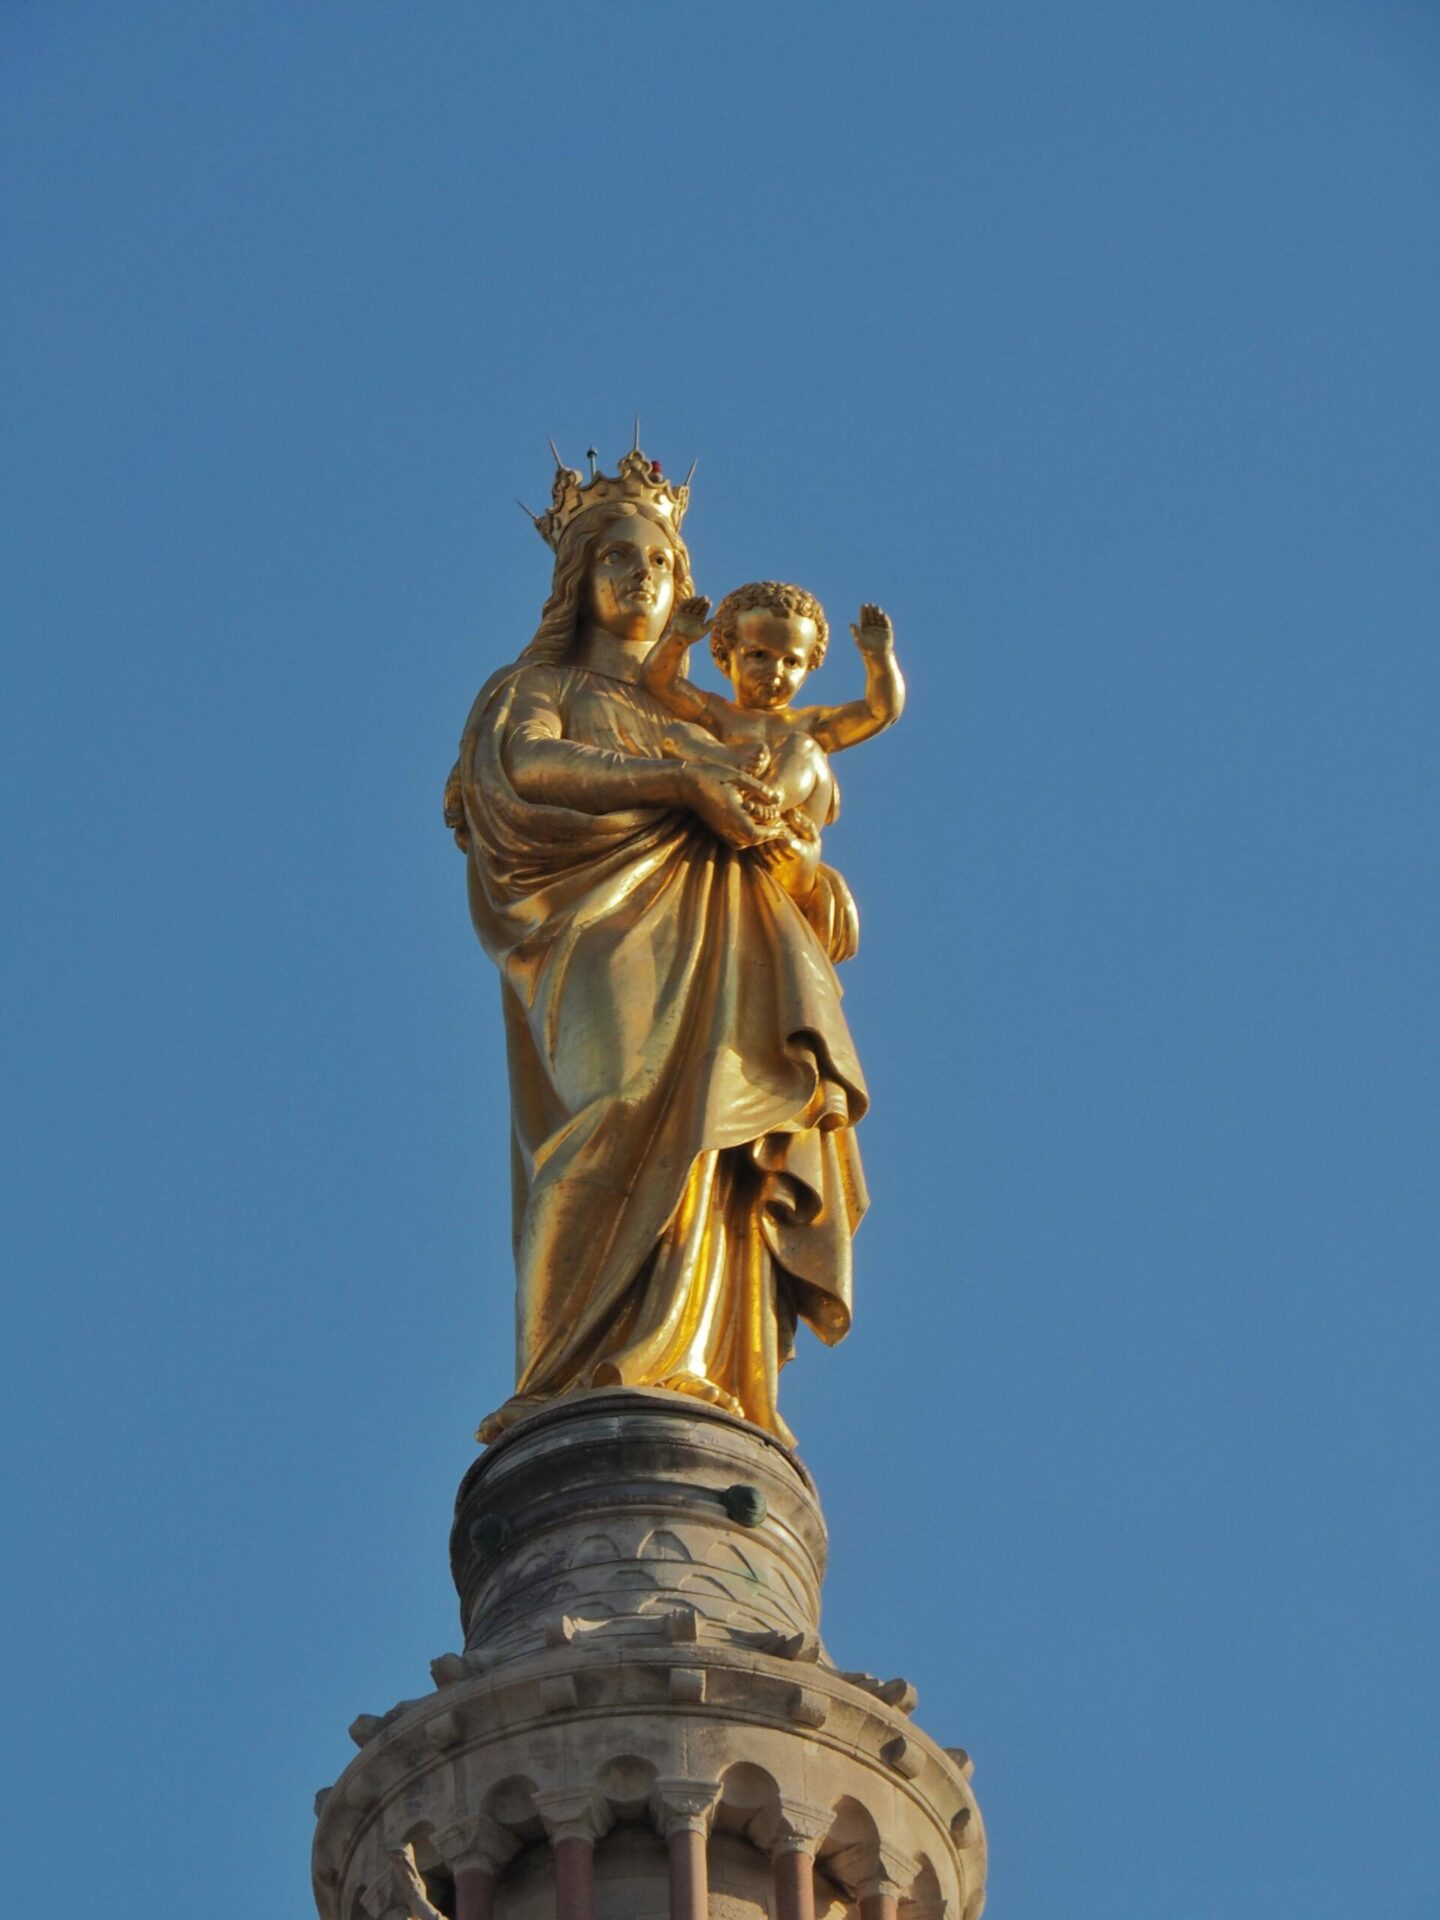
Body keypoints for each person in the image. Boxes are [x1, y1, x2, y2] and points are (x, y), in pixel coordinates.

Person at [444, 448, 870, 1446]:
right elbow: (524, 771)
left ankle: (697, 1359)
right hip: (597, 930)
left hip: (723, 948)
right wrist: (678, 788)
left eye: (662, 564)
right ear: (578, 582)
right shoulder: (536, 688)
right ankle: (561, 1373)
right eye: (619, 559)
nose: (644, 576)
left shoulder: (698, 721)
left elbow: (769, 831)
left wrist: (807, 876)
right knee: (620, 1103)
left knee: (720, 1135)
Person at [640, 582, 905, 884]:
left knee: (803, 747)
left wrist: (879, 657)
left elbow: (880, 711)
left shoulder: (810, 722)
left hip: (788, 841)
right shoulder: (717, 712)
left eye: (791, 662)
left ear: (809, 667)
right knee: (678, 733)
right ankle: (731, 764)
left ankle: (771, 798)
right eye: (759, 655)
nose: (775, 671)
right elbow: (659, 681)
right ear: (726, 656)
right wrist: (678, 639)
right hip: (726, 822)